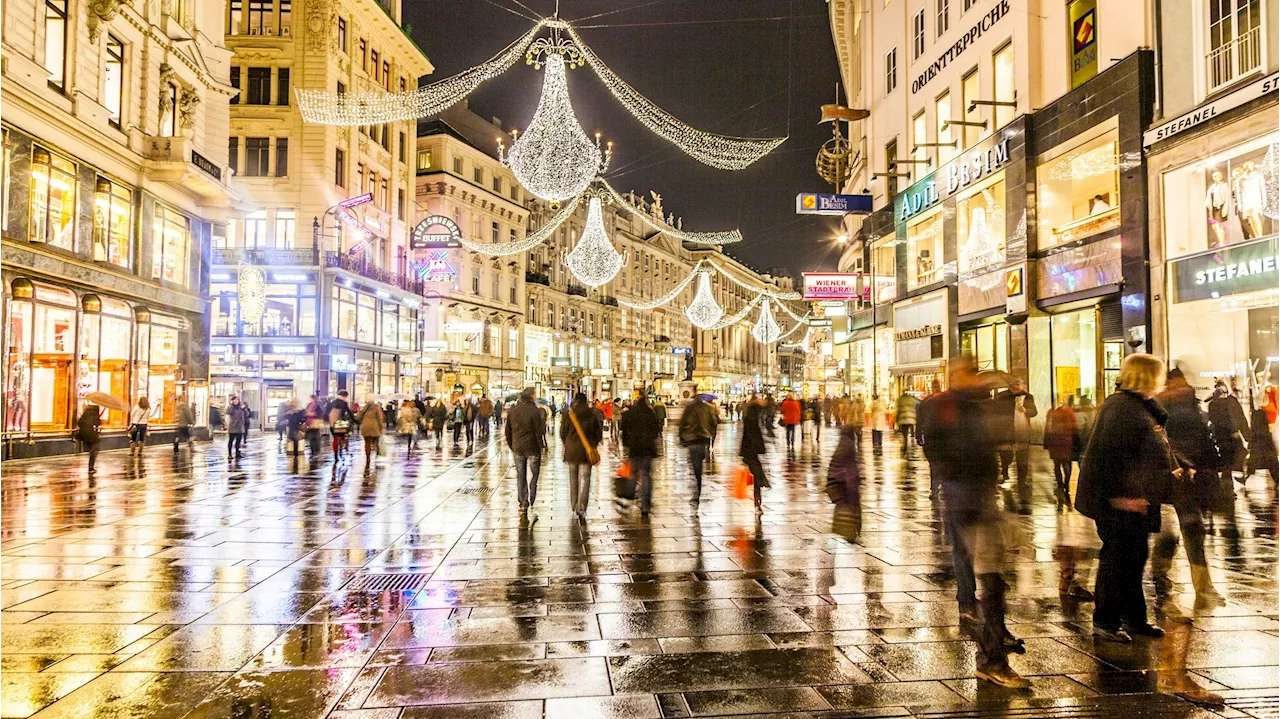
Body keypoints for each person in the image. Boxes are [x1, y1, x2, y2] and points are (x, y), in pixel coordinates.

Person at [919, 355, 1027, 688]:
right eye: (965, 373)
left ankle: (988, 637)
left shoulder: (975, 402)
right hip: (966, 497)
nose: (969, 377)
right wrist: (954, 471)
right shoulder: (947, 406)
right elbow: (932, 445)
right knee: (991, 578)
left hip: (979, 494)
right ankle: (992, 659)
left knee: (988, 573)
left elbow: (990, 437)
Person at [1075, 353, 1173, 644]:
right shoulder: (1122, 409)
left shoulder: (1138, 406)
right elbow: (1106, 457)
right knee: (1118, 559)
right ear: (1147, 376)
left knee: (1134, 557)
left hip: (1136, 499)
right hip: (1120, 501)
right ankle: (1106, 621)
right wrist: (1119, 497)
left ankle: (1134, 617)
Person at [1155, 368, 1226, 616]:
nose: (1181, 388)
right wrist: (1182, 464)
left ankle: (1202, 587)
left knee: (1193, 531)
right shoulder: (1163, 405)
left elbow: (1203, 439)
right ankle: (1163, 587)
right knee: (1169, 535)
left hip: (1192, 478)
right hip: (1174, 475)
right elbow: (1162, 441)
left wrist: (1209, 468)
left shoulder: (1188, 403)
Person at [561, 392, 602, 521]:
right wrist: (593, 445)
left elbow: (562, 432)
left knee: (573, 478)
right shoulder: (592, 414)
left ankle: (574, 505)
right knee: (586, 479)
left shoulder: (569, 414)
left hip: (572, 451)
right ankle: (582, 507)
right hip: (586, 450)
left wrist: (567, 444)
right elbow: (598, 433)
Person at [506, 388, 547, 513]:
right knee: (535, 473)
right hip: (533, 447)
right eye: (535, 394)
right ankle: (532, 490)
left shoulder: (512, 411)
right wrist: (541, 446)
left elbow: (508, 431)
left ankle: (523, 502)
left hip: (517, 447)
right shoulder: (534, 411)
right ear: (531, 396)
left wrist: (512, 445)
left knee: (521, 475)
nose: (536, 397)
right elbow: (539, 431)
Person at [621, 395, 662, 517]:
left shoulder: (631, 413)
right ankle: (645, 506)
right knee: (646, 476)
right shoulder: (650, 413)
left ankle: (629, 499)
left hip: (634, 449)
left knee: (632, 474)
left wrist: (626, 444)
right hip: (647, 449)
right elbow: (656, 430)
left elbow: (624, 429)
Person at [994, 380, 1038, 485]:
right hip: (1005, 431)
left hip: (1022, 430)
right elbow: (995, 412)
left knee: (1022, 457)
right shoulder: (1001, 396)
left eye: (1019, 384)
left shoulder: (1028, 397)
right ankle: (1005, 472)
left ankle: (1022, 479)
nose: (1017, 386)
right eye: (1015, 384)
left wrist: (1026, 410)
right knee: (1005, 454)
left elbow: (1034, 412)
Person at [678, 394, 718, 505]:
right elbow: (714, 423)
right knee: (699, 462)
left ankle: (696, 482)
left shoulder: (689, 408)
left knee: (694, 464)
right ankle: (698, 483)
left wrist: (681, 438)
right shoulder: (709, 408)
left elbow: (682, 424)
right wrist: (711, 437)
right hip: (703, 439)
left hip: (691, 439)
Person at [1044, 396, 1082, 502]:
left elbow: (1048, 428)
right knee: (1067, 463)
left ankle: (1060, 484)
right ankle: (1066, 484)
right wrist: (1077, 441)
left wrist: (1046, 442)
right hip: (1066, 441)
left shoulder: (1051, 412)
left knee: (1057, 464)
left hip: (1054, 441)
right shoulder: (1069, 412)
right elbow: (1075, 427)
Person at [740, 394, 773, 515]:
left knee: (757, 476)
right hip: (751, 452)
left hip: (750, 452)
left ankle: (758, 502)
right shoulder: (752, 419)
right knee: (757, 477)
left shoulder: (750, 415)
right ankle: (757, 502)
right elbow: (753, 436)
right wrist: (760, 448)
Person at [915, 380, 945, 497]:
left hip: (933, 435)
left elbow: (919, 420)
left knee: (935, 464)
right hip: (938, 436)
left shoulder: (927, 401)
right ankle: (937, 486)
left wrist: (918, 434)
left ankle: (935, 488)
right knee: (939, 463)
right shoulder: (944, 400)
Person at [357, 400, 384, 470]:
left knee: (367, 443)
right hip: (374, 427)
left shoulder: (364, 408)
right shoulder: (376, 407)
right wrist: (381, 428)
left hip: (365, 427)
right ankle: (376, 452)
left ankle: (368, 457)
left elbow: (358, 417)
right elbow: (379, 419)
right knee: (375, 441)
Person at [77, 404, 102, 473]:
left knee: (93, 450)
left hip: (83, 435)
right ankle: (91, 467)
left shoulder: (84, 416)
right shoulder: (93, 416)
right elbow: (98, 423)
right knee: (94, 450)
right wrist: (98, 418)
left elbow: (79, 423)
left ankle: (91, 466)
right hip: (91, 435)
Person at [329, 391, 354, 458]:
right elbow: (349, 412)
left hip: (332, 423)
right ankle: (344, 444)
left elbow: (326, 412)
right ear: (345, 396)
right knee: (345, 433)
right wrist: (355, 420)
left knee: (335, 438)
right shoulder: (344, 403)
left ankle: (335, 454)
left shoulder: (332, 402)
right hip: (341, 423)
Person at [895, 389, 919, 456]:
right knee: (909, 429)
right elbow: (916, 406)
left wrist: (896, 419)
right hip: (910, 418)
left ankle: (905, 446)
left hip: (903, 418)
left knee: (905, 434)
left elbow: (898, 410)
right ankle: (908, 442)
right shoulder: (912, 399)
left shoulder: (900, 400)